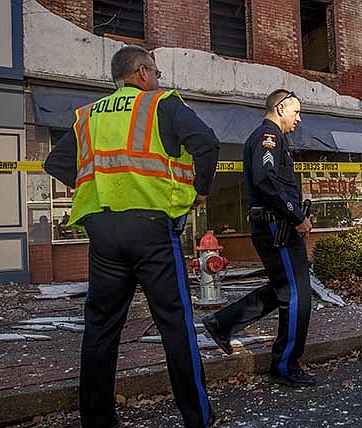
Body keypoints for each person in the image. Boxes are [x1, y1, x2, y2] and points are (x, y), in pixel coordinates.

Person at [44, 45, 219, 428]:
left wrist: (99, 186)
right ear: (141, 73)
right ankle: (197, 417)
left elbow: (54, 162)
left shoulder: (87, 116)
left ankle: (97, 419)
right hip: (152, 230)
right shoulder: (162, 104)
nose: (158, 79)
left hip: (103, 233)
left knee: (101, 328)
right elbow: (206, 143)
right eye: (155, 72)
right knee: (175, 323)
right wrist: (200, 190)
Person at [202, 89, 315, 387]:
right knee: (297, 295)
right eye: (295, 112)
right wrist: (297, 217)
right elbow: (266, 181)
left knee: (283, 288)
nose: (299, 119)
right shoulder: (269, 137)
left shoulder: (271, 138)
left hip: (275, 226)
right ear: (279, 109)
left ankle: (222, 324)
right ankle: (285, 364)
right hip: (278, 228)